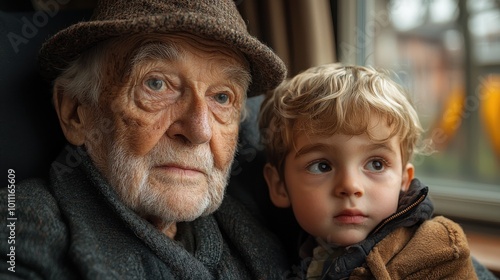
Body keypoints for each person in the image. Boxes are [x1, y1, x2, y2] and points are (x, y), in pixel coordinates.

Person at [0, 0, 290, 279]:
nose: (199, 131)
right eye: (157, 83)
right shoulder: (20, 224)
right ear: (76, 113)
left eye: (222, 97)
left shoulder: (265, 219)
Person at [259, 64, 479, 279]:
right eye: (322, 166)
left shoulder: (440, 249)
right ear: (280, 186)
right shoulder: (287, 251)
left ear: (404, 180)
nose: (350, 186)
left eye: (376, 164)